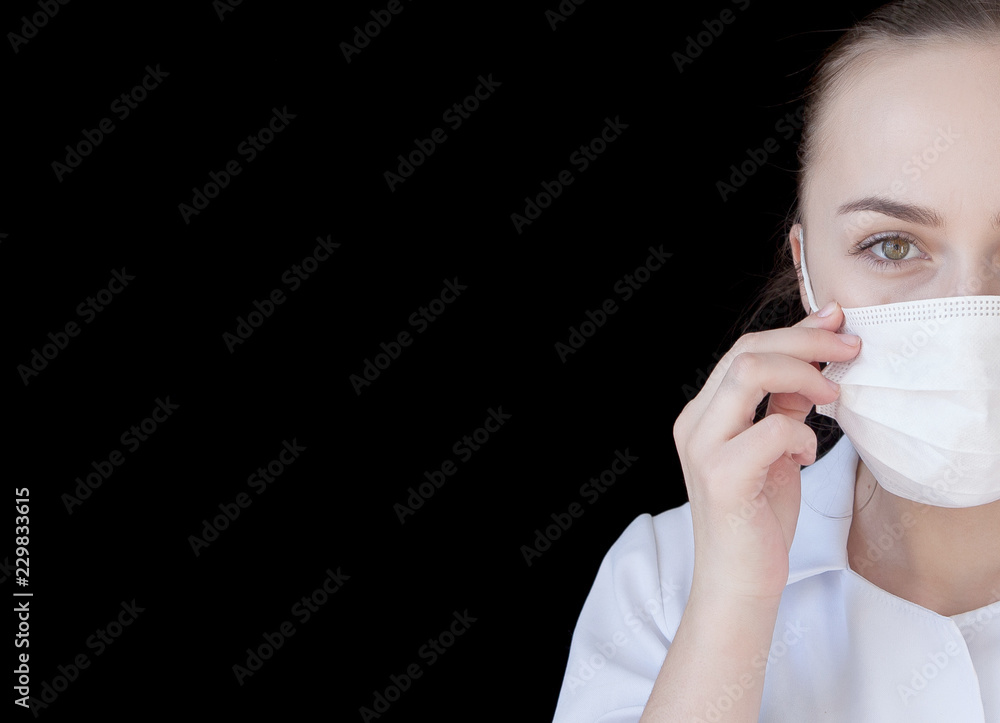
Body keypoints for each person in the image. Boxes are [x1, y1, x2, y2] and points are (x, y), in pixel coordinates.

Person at [551, 1, 1000, 720]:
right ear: (806, 270)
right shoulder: (666, 577)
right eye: (891, 245)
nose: (973, 309)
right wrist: (734, 598)